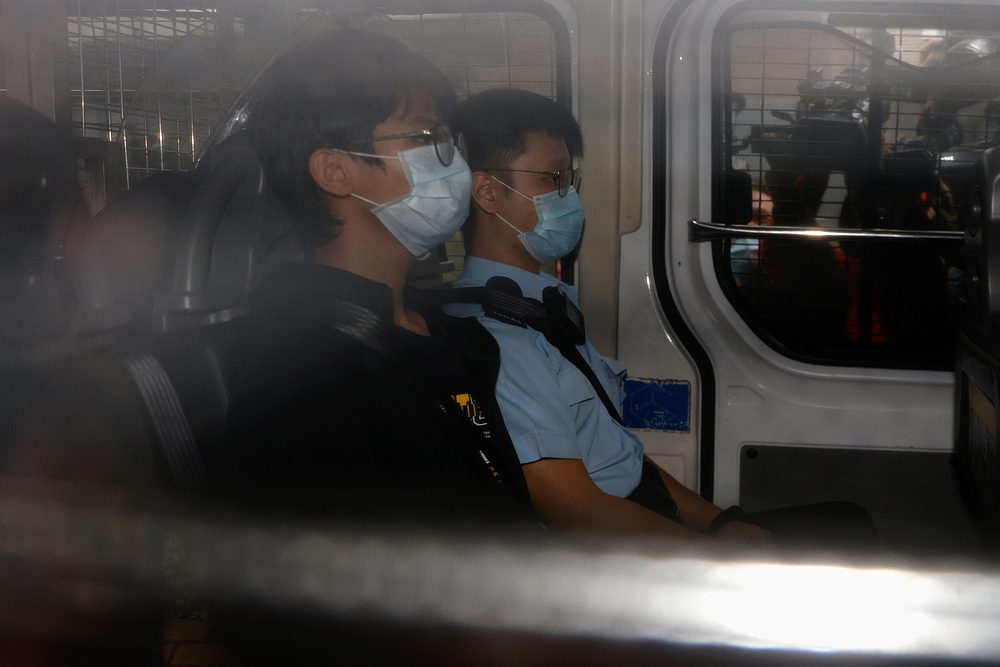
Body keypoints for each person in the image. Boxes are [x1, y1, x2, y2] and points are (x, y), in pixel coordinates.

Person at [223, 31, 535, 527]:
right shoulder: (299, 372)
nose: (452, 162)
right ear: (335, 171)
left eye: (446, 139)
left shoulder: (443, 331)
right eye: (424, 138)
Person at [449, 88, 769, 542]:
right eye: (551, 179)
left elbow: (620, 460)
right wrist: (716, 561)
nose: (568, 197)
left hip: (641, 519)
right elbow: (577, 511)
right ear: (487, 192)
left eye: (568, 180)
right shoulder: (497, 337)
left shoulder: (546, 309)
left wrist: (719, 522)